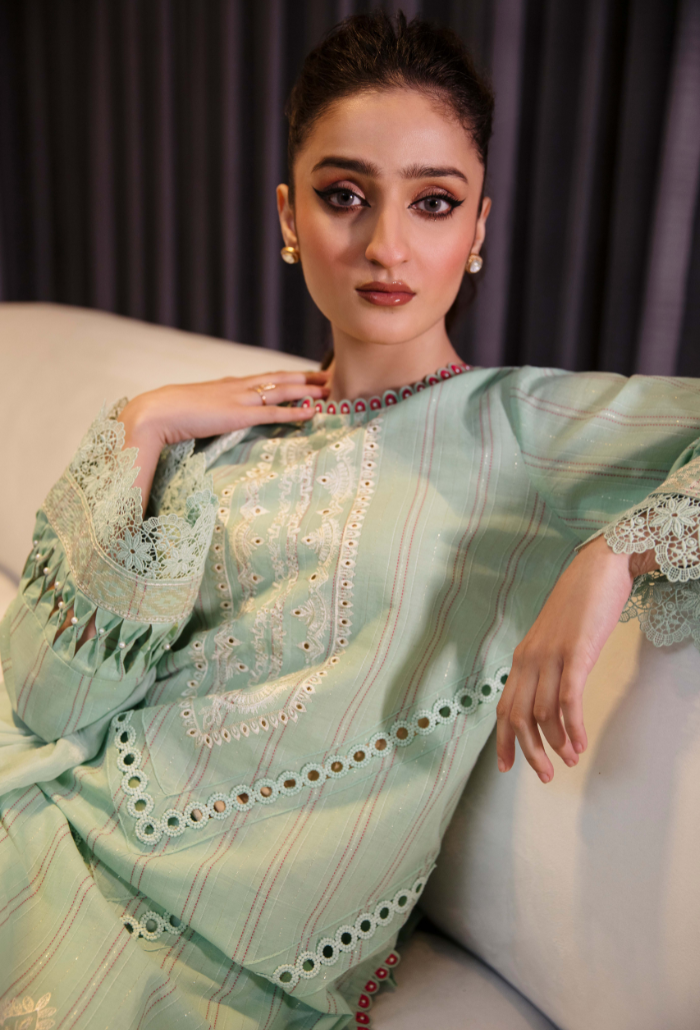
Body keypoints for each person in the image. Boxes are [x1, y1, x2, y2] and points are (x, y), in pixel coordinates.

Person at [1, 11, 699, 1030]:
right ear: (289, 215)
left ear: (479, 229)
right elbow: (46, 702)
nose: (385, 246)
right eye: (344, 196)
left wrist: (614, 553)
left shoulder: (528, 432)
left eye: (432, 202)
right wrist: (140, 427)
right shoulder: (227, 435)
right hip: (47, 835)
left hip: (214, 969)